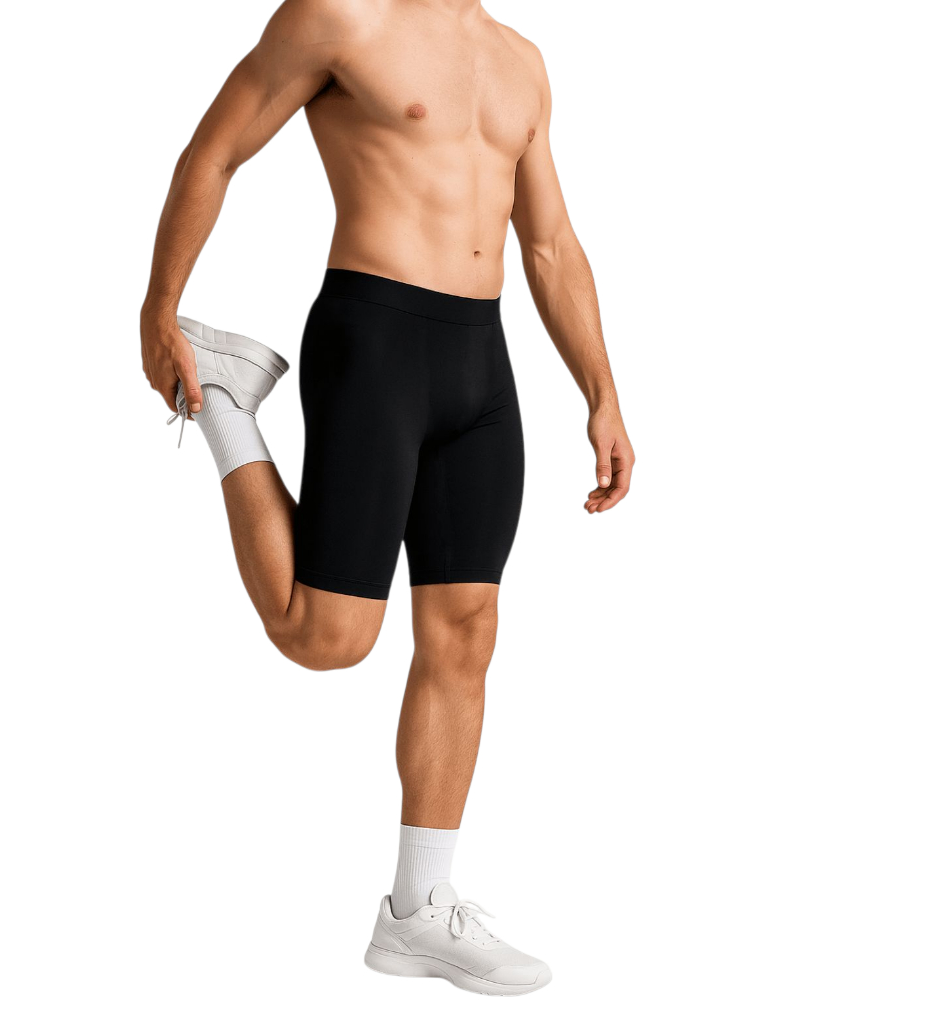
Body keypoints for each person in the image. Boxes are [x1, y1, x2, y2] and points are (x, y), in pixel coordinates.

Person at [140, 0, 635, 997]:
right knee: (325, 636)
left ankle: (417, 911)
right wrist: (160, 305)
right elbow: (214, 152)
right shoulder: (339, 17)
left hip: (481, 363)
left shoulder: (521, 60)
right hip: (376, 340)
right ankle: (227, 401)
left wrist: (603, 392)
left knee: (468, 629)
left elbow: (548, 243)